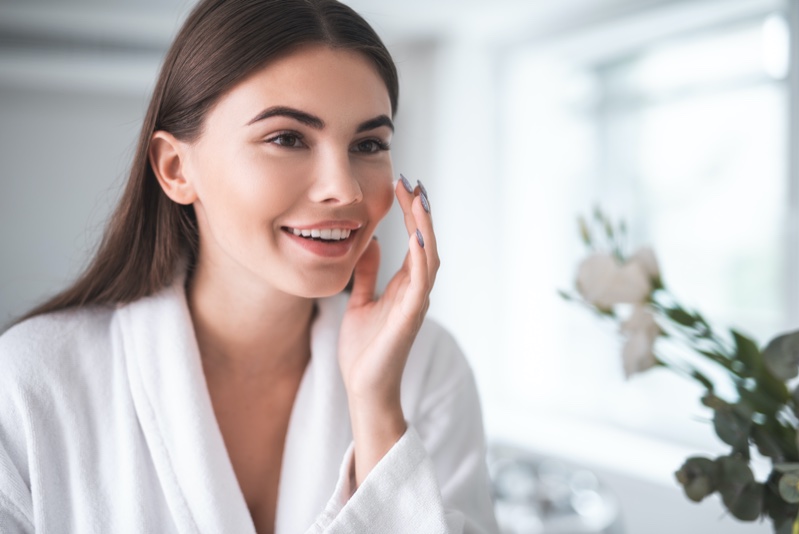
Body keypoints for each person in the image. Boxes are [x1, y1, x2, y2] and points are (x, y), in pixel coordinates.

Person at [0, 0, 499, 532]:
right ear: (175, 169)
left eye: (369, 143)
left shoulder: (428, 369)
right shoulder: (29, 382)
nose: (345, 189)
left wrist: (376, 409)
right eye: (286, 138)